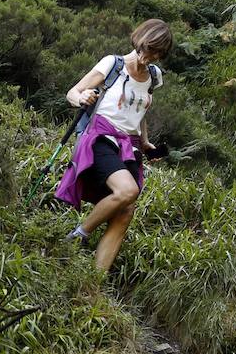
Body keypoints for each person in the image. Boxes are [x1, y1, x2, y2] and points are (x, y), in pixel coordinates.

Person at [54, 19, 173, 272]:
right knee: (128, 191)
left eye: (158, 54)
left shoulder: (154, 77)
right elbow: (73, 92)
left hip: (130, 147)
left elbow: (140, 111)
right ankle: (79, 235)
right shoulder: (113, 64)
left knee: (125, 212)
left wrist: (145, 142)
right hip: (101, 137)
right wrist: (81, 97)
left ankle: (95, 279)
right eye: (150, 50)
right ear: (140, 41)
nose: (152, 57)